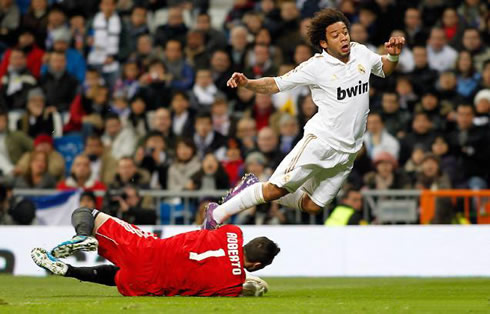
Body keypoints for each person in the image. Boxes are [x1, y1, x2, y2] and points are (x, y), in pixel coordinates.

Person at [204, 8, 405, 228]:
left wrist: (393, 55)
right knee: (274, 190)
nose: (343, 37)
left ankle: (254, 187)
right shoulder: (316, 66)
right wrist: (247, 83)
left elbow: (384, 69)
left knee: (312, 205)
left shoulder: (361, 52)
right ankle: (217, 214)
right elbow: (276, 83)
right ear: (324, 43)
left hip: (349, 151)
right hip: (321, 142)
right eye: (335, 35)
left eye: (344, 32)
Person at [31, 207, 279, 297]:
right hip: (151, 286)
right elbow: (244, 287)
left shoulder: (232, 232)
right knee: (117, 276)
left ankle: (83, 236)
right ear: (256, 266)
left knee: (88, 213)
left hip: (148, 251)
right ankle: (68, 270)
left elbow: (213, 213)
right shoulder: (232, 286)